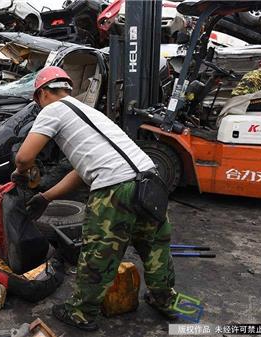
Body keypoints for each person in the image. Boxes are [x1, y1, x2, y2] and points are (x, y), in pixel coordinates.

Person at [13, 66, 176, 331]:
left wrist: (21, 171)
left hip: (115, 190)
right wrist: (46, 196)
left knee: (98, 256)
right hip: (150, 181)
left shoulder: (53, 109)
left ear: (42, 93)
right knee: (155, 246)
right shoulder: (91, 113)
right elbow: (80, 172)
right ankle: (164, 299)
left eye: (37, 100)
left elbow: (23, 157)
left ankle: (82, 313)